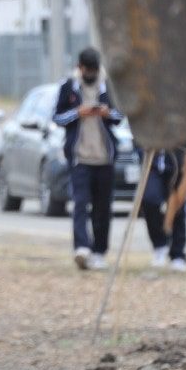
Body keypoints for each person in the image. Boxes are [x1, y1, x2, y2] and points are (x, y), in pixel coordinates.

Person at [53, 47, 123, 271]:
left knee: (103, 208)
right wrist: (78, 112)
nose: (91, 74)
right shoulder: (68, 87)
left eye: (94, 70)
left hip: (104, 158)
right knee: (80, 204)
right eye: (87, 70)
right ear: (80, 68)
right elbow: (57, 117)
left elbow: (120, 116)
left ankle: (99, 251)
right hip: (80, 159)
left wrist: (107, 113)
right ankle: (81, 248)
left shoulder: (108, 87)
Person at [142, 148, 186, 272]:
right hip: (153, 164)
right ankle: (160, 245)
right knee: (149, 200)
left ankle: (178, 254)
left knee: (178, 207)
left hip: (179, 163)